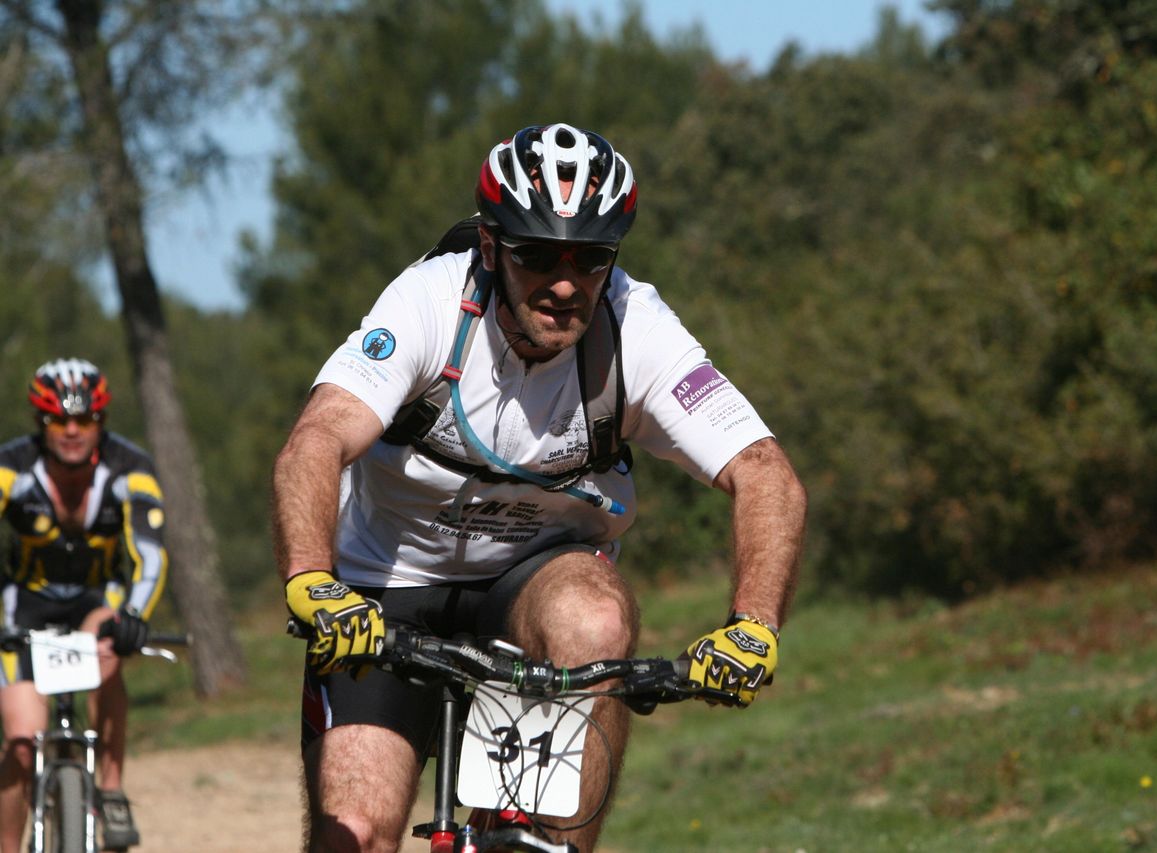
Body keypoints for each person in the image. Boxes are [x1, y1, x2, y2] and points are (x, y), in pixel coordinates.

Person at [274, 122, 807, 852]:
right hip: (386, 581)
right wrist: (312, 578)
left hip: (535, 578)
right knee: (356, 835)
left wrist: (753, 623)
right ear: (491, 246)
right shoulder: (430, 302)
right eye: (535, 254)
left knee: (595, 620)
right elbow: (315, 440)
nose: (564, 283)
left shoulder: (636, 328)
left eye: (589, 259)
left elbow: (765, 471)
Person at [0, 358, 168, 853]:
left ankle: (110, 789)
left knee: (109, 640)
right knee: (23, 741)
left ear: (101, 420)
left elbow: (150, 554)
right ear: (41, 421)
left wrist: (135, 616)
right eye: (59, 420)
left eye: (84, 419)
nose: (72, 431)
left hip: (97, 600)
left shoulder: (130, 467)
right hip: (23, 606)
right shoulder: (12, 466)